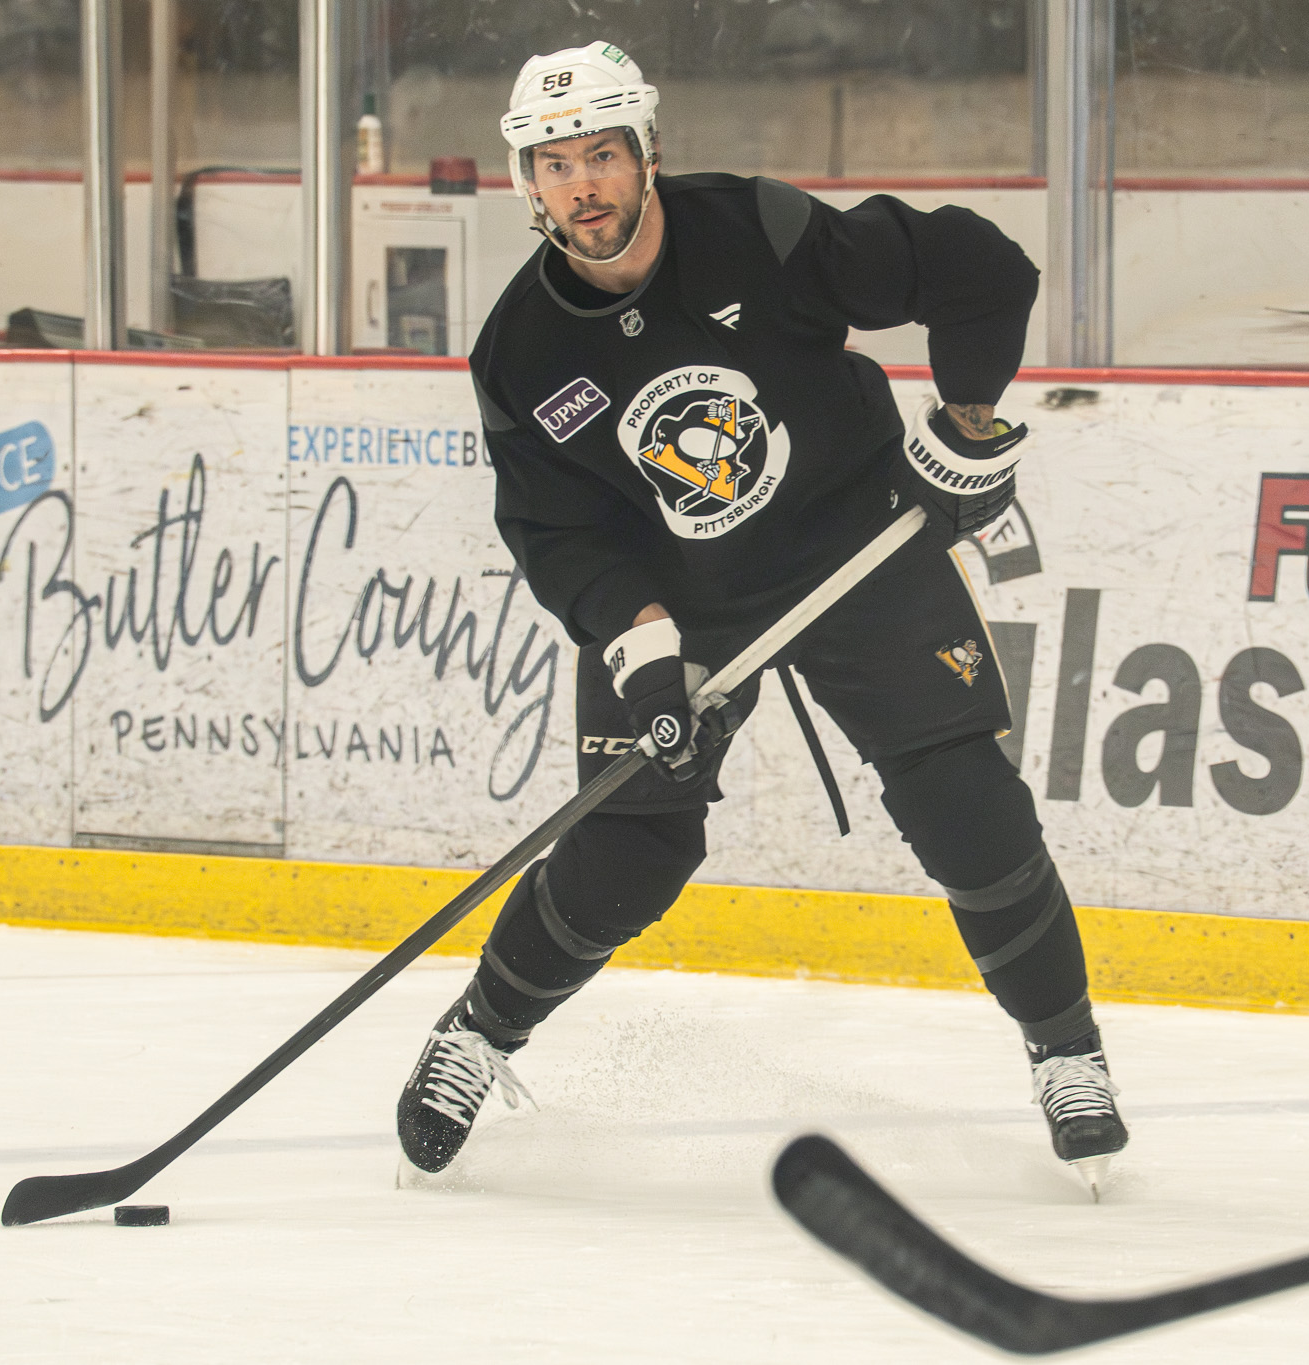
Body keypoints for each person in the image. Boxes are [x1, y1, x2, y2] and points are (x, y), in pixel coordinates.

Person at [395, 40, 1128, 1195]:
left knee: (963, 804)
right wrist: (643, 659)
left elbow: (977, 269)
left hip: (857, 547)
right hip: (681, 606)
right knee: (629, 854)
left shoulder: (755, 230)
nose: (580, 184)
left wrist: (970, 426)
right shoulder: (520, 354)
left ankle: (1067, 1053)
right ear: (524, 184)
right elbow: (561, 535)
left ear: (646, 154)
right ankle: (477, 1037)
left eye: (601, 154)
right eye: (553, 164)